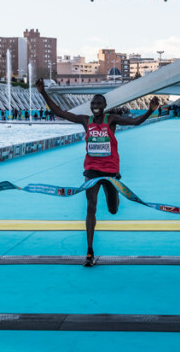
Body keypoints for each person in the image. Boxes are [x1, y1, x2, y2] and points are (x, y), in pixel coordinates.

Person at [35, 79, 161, 266]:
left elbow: (134, 122)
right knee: (91, 206)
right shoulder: (85, 120)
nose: (95, 106)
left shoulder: (111, 120)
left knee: (113, 209)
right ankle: (89, 252)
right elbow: (60, 112)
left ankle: (114, 198)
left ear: (105, 106)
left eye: (98, 103)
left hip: (110, 171)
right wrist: (43, 92)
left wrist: (150, 110)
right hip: (91, 170)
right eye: (93, 103)